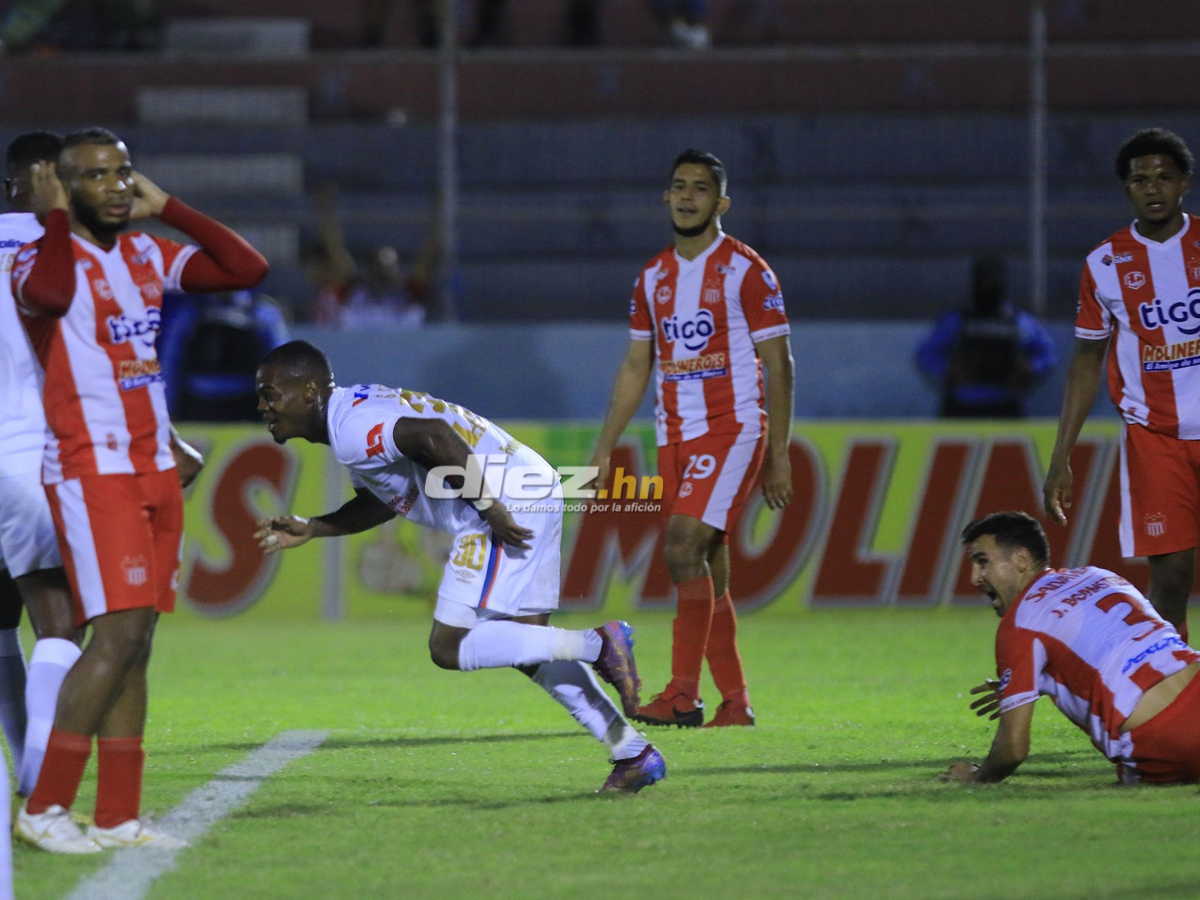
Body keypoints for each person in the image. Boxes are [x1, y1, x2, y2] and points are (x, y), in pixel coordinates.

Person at [252, 340, 666, 794]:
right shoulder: (351, 419)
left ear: (309, 391)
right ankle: (632, 752)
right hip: (531, 485)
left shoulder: (352, 430)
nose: (263, 406)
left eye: (270, 394)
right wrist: (314, 527)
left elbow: (434, 435)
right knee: (530, 648)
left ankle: (598, 643)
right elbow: (381, 501)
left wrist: (489, 508)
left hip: (500, 501)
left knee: (449, 646)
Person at [11, 126, 267, 853]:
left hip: (154, 466)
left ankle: (118, 815)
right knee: (117, 635)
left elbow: (246, 268)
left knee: (137, 642)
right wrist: (55, 217)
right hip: (92, 470)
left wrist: (172, 208)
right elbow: (51, 296)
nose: (117, 185)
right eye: (95, 175)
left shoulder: (147, 254)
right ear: (64, 189)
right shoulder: (39, 258)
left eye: (123, 172)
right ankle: (45, 807)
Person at [0, 131, 204, 804]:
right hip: (34, 451)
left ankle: (32, 780)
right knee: (63, 625)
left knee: (1, 626)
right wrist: (167, 438)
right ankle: (41, 788)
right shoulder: (60, 251)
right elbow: (102, 360)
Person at [588, 149, 794, 728]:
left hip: (733, 427)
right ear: (665, 197)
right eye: (678, 186)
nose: (686, 195)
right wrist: (605, 447)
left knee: (681, 547)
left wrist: (778, 454)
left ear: (721, 203)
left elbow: (779, 363)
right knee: (708, 564)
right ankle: (736, 702)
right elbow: (637, 366)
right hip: (674, 436)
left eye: (700, 188)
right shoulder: (653, 277)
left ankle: (682, 695)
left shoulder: (747, 270)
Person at [1043, 128, 1199, 643]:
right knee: (1171, 577)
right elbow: (1087, 359)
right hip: (1156, 439)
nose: (1153, 188)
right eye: (1140, 180)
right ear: (1126, 189)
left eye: (1164, 177)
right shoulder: (1105, 263)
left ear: (1184, 183)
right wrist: (1061, 456)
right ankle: (1174, 683)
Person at [943, 511, 1200, 785]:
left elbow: (1012, 750)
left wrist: (976, 777)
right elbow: (1118, 647)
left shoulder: (1019, 623)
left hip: (1166, 738)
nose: (975, 577)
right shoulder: (1098, 576)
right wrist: (1028, 682)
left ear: (1021, 560)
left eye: (982, 562)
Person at [916, 254, 1057, 418]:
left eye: (992, 278)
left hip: (1005, 404)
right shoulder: (957, 321)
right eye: (983, 278)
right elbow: (926, 355)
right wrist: (948, 369)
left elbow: (1049, 355)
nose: (987, 285)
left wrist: (1031, 367)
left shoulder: (1019, 322)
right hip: (962, 404)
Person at [310, 184, 430, 329]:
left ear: (397, 268)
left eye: (389, 267)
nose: (384, 271)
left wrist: (443, 209)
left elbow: (430, 257)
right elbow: (335, 251)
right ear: (370, 268)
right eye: (379, 266)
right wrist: (327, 212)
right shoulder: (353, 291)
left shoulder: (409, 294)